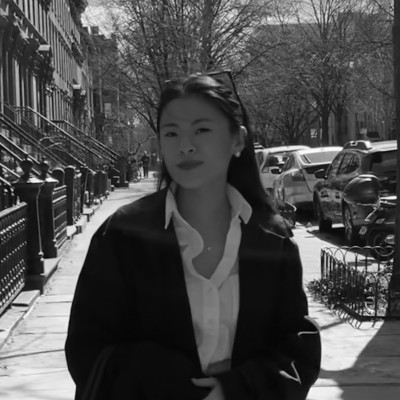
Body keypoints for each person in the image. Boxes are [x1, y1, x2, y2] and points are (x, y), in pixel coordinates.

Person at [65, 72, 321, 400]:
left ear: (237, 140)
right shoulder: (124, 235)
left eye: (201, 130)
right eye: (171, 133)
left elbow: (297, 347)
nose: (185, 145)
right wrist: (174, 385)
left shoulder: (271, 239)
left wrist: (235, 389)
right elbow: (87, 349)